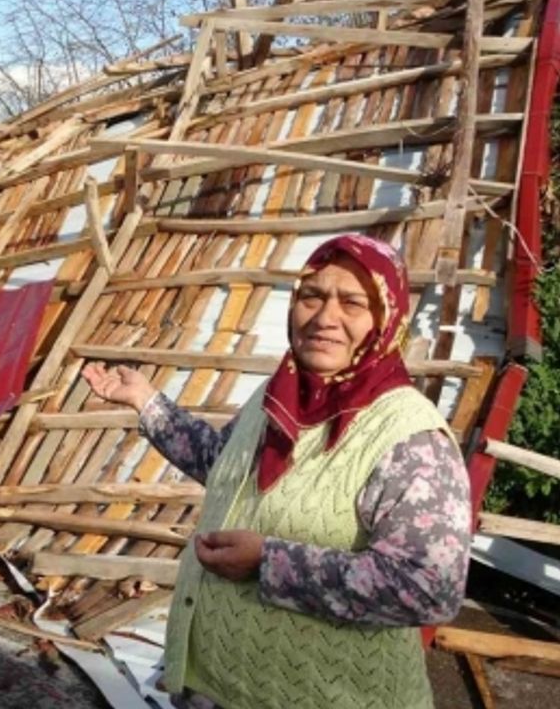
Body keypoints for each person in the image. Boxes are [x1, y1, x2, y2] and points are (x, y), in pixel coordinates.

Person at [83, 235, 471, 709]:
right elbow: (224, 467)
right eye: (312, 296)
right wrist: (147, 403)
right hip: (220, 684)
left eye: (352, 302)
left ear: (387, 319)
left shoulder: (410, 438)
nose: (326, 318)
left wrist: (268, 562)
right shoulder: (279, 396)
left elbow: (428, 589)